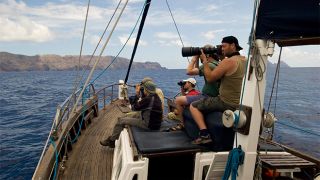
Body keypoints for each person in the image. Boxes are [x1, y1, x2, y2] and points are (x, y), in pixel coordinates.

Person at [189, 36, 247, 144]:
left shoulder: (228, 62)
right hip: (240, 103)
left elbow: (210, 78)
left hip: (226, 102)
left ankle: (204, 134)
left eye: (224, 46)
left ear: (233, 45)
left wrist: (205, 61)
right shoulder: (244, 60)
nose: (222, 49)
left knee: (193, 106)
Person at [100, 81, 163, 147]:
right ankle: (117, 133)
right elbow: (143, 103)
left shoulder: (148, 99)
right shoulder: (155, 96)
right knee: (126, 116)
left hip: (148, 124)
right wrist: (139, 95)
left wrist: (137, 93)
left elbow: (134, 108)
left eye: (143, 88)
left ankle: (112, 141)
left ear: (146, 89)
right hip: (152, 121)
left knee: (120, 121)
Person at [173, 45, 220, 129]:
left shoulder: (209, 65)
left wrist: (194, 58)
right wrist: (199, 59)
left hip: (208, 96)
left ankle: (182, 124)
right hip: (214, 95)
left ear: (207, 55)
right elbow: (197, 70)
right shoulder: (217, 64)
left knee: (178, 100)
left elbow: (189, 71)